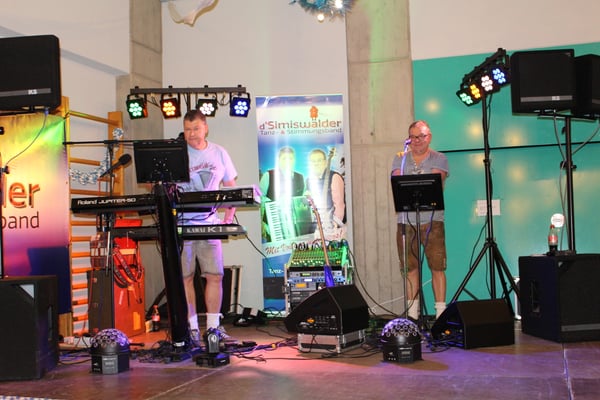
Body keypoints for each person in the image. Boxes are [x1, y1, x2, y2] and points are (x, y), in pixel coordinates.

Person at [177, 109, 237, 344]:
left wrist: (229, 214)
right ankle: (191, 328)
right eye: (187, 129)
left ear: (206, 128)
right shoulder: (178, 154)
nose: (192, 134)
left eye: (196, 129)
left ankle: (213, 328)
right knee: (185, 277)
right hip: (182, 225)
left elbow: (231, 186)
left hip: (209, 224)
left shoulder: (219, 152)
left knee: (214, 276)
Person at [391, 120, 449, 321]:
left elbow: (435, 182)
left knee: (437, 267)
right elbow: (397, 182)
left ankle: (440, 314)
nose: (416, 141)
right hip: (405, 221)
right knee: (410, 268)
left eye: (421, 136)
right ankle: (412, 315)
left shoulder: (439, 158)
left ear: (429, 137)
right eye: (413, 137)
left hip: (433, 221)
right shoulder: (400, 159)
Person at [259, 146, 306, 241]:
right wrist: (261, 222)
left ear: (294, 160)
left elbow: (302, 201)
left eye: (291, 158)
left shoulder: (301, 178)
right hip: (272, 225)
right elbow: (259, 199)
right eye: (284, 158)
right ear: (279, 160)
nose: (288, 161)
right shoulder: (268, 175)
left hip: (295, 227)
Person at [304, 148, 346, 239]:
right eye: (313, 161)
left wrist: (333, 225)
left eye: (319, 160)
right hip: (317, 227)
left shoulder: (335, 177)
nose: (316, 164)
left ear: (326, 162)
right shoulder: (308, 180)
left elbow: (339, 206)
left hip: (333, 228)